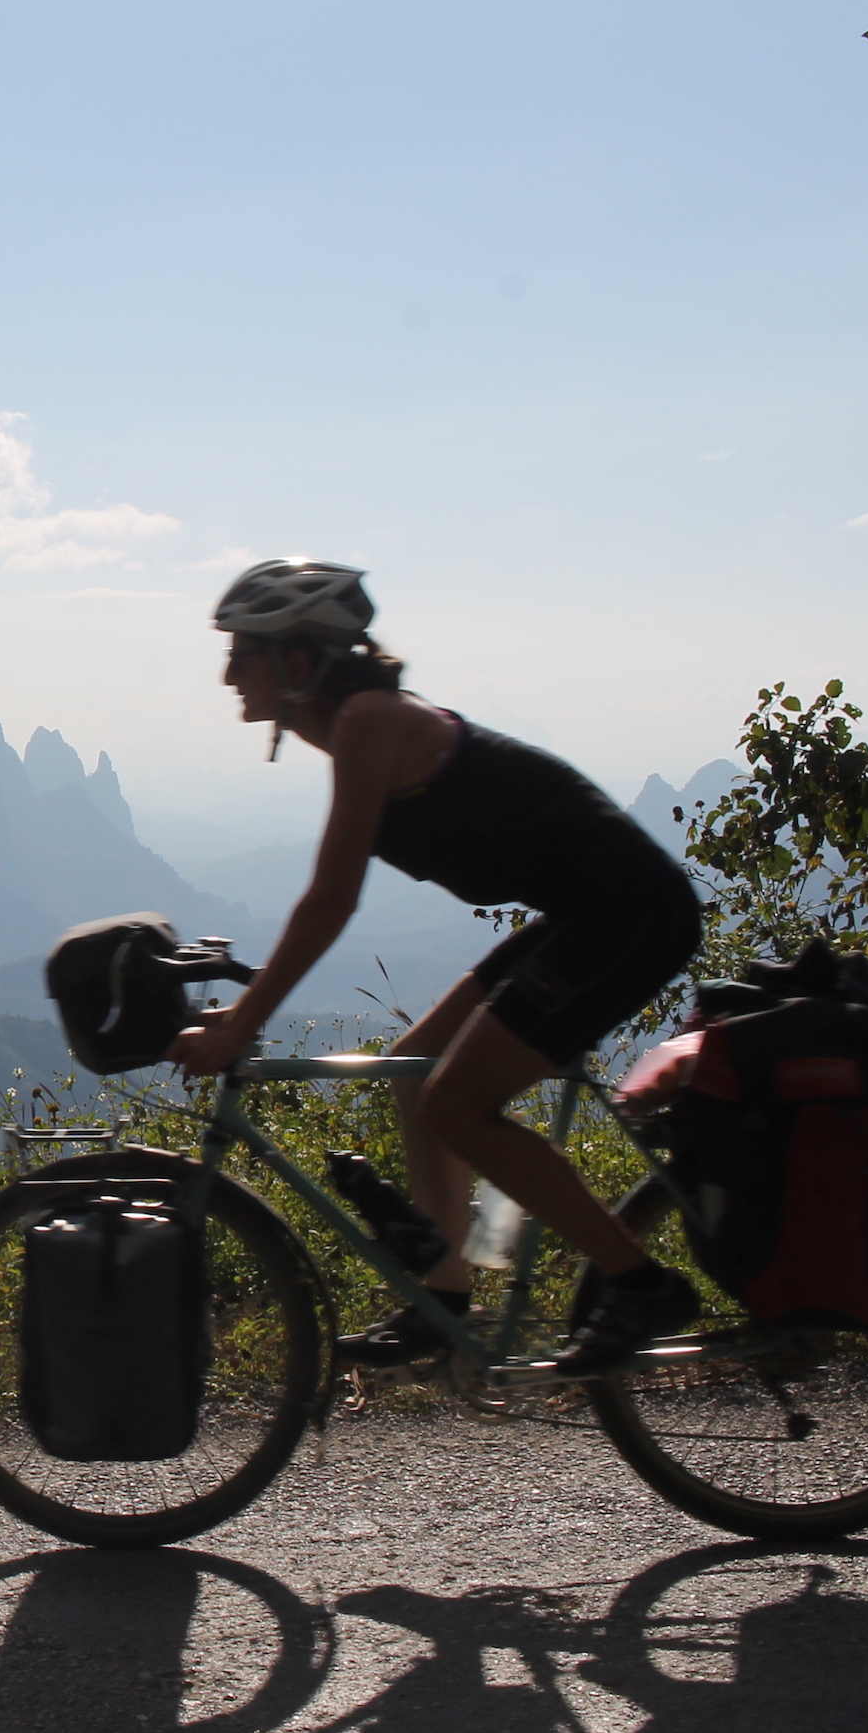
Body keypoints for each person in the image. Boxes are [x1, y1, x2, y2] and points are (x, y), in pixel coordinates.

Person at [163, 558, 703, 1373]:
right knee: (416, 1072)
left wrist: (244, 1022)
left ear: (299, 662)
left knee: (458, 1104)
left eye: (245, 651)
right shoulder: (356, 723)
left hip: (630, 917)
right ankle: (442, 1301)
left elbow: (330, 900)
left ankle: (640, 1283)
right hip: (588, 913)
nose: (228, 671)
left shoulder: (369, 723)